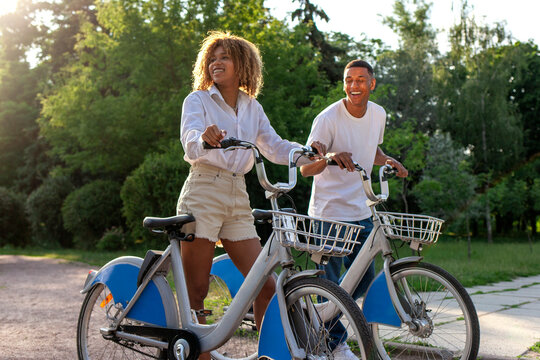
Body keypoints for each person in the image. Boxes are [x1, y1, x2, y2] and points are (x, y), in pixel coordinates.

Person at [178, 31, 324, 360]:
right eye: (212, 58)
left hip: (237, 195)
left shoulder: (252, 107)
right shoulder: (198, 100)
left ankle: (269, 355)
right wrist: (204, 137)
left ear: (242, 64)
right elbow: (189, 139)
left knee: (266, 285)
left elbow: (275, 146)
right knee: (196, 292)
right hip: (203, 189)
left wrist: (309, 155)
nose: (217, 62)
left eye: (225, 57)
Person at [300, 59, 408, 360]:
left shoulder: (378, 114)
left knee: (359, 282)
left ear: (372, 84)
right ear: (344, 84)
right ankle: (333, 344)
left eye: (361, 80)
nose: (354, 85)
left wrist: (387, 160)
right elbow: (308, 166)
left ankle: (317, 326)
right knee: (330, 286)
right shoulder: (328, 118)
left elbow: (371, 149)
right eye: (349, 80)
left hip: (361, 209)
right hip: (329, 213)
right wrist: (331, 156)